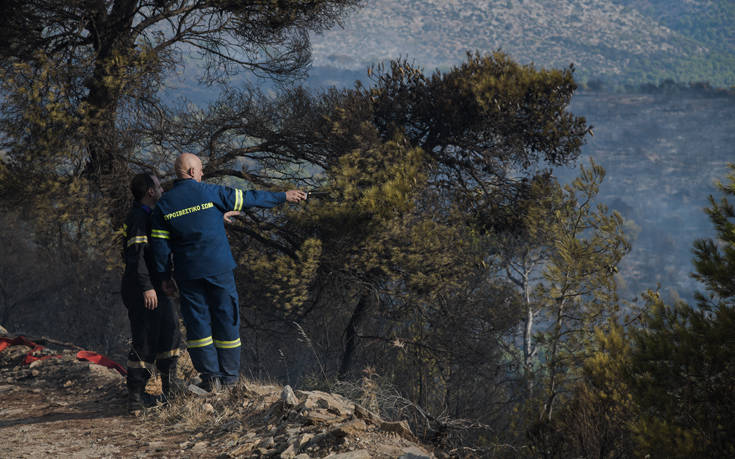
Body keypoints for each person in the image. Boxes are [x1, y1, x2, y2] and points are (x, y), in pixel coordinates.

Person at [150, 153, 306, 390]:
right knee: (227, 319)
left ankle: (210, 378)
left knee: (197, 324)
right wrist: (283, 196)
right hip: (218, 268)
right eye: (200, 170)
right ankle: (231, 379)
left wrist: (164, 277)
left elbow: (160, 247)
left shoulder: (164, 204)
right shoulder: (211, 193)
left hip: (188, 273)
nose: (202, 174)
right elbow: (251, 197)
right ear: (192, 172)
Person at [121, 173, 185, 414]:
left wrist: (163, 281)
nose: (162, 190)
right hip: (142, 289)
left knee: (169, 332)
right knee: (145, 340)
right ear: (150, 191)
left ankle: (170, 389)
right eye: (158, 186)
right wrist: (147, 286)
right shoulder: (138, 217)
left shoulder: (150, 214)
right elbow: (135, 256)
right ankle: (136, 398)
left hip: (157, 287)